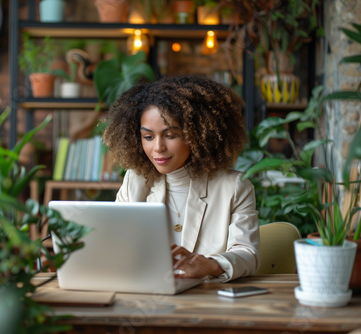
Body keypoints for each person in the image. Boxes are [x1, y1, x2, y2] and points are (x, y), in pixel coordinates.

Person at [102, 74, 260, 282]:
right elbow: (116, 244)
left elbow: (248, 254)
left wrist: (211, 264)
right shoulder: (135, 181)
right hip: (147, 293)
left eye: (170, 135)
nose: (158, 148)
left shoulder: (234, 187)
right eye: (148, 137)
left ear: (197, 135)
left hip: (208, 298)